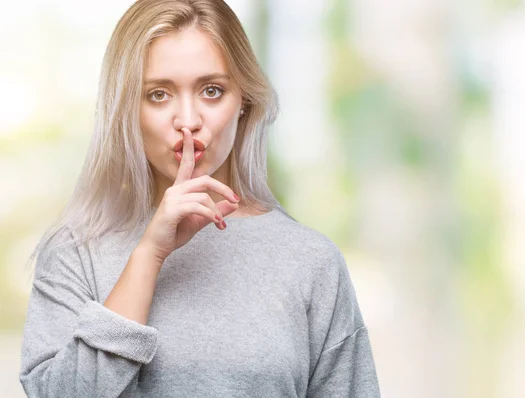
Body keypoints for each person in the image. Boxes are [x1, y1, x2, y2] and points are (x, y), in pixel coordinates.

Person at [19, 0, 380, 396]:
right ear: (125, 107)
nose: (188, 121)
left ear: (244, 101)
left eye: (212, 90)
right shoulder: (75, 253)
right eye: (158, 94)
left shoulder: (311, 262)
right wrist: (148, 255)